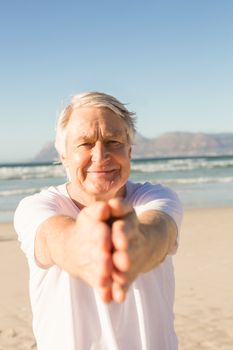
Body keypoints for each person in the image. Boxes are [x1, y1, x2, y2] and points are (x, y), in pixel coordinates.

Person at [14, 91, 183, 350]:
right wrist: (84, 244)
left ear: (129, 150)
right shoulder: (36, 207)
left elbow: (159, 233)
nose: (100, 154)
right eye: (85, 144)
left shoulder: (156, 197)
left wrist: (135, 246)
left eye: (114, 141)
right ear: (63, 155)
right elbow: (54, 239)